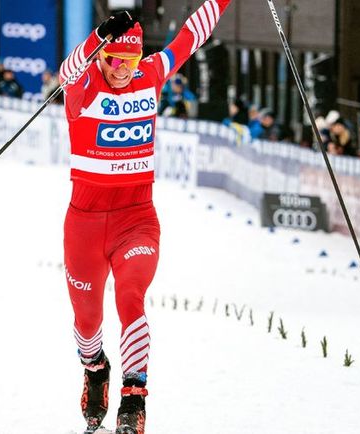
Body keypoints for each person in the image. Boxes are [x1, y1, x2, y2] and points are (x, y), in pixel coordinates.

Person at [57, 2, 233, 433]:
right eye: (115, 60)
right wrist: (99, 35)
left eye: (130, 60)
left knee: (130, 297)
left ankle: (133, 399)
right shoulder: (84, 86)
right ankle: (95, 369)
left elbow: (191, 36)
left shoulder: (149, 75)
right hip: (84, 222)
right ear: (102, 55)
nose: (122, 69)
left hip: (136, 218)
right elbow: (66, 71)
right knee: (87, 321)